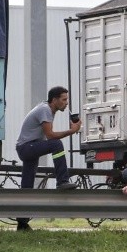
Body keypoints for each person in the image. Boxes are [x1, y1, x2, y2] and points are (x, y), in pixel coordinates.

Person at [15, 86, 82, 231]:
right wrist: (72, 131)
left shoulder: (48, 109)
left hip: (29, 147)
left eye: (67, 99)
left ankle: (22, 223)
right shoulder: (45, 110)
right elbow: (50, 135)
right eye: (64, 99)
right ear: (54, 100)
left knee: (27, 186)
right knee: (56, 144)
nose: (66, 103)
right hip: (27, 147)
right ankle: (62, 181)